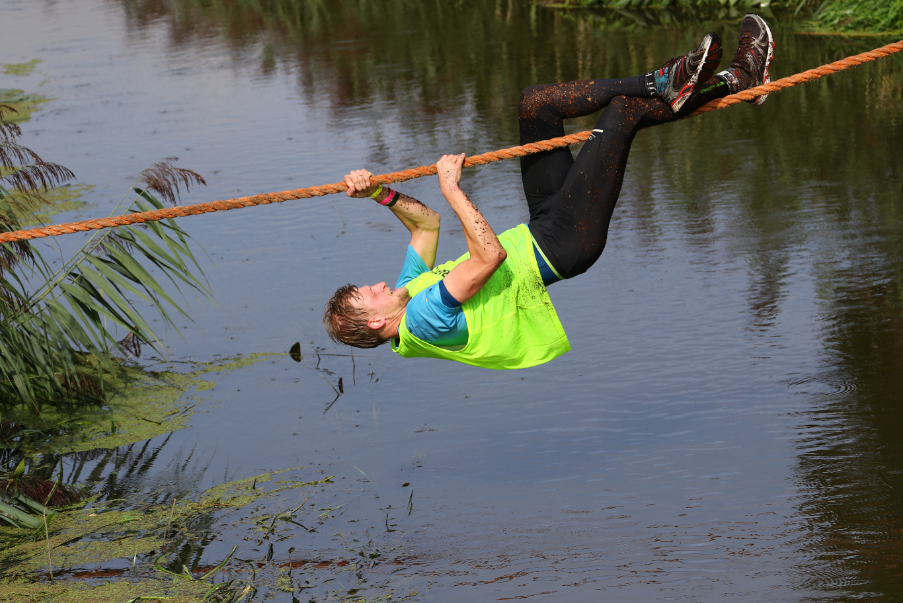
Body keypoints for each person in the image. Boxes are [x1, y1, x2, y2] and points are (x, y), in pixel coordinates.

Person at [324, 14, 775, 370]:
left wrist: (377, 192)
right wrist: (451, 188)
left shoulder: (408, 293)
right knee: (623, 114)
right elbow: (489, 257)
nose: (379, 283)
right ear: (379, 321)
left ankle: (669, 81)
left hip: (542, 225)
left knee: (536, 103)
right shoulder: (424, 320)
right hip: (564, 243)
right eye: (370, 292)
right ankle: (740, 77)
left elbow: (426, 227)